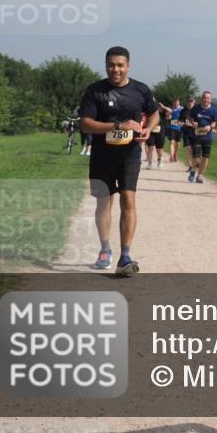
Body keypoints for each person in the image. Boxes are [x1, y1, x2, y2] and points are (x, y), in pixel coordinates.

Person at [79, 46, 159, 276]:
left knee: (128, 200)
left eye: (120, 65)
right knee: (104, 202)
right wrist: (117, 126)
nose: (116, 69)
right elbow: (85, 123)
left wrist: (149, 128)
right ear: (105, 65)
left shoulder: (140, 90)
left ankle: (125, 256)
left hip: (129, 154)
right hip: (102, 154)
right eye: (111, 65)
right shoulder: (95, 90)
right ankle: (105, 249)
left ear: (128, 66)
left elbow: (154, 113)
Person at [187, 90, 217, 184]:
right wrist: (193, 123)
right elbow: (189, 116)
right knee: (196, 157)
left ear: (210, 99)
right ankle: (193, 168)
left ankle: (199, 175)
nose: (206, 100)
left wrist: (211, 126)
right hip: (197, 136)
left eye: (208, 98)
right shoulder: (196, 108)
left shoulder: (214, 110)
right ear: (202, 98)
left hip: (208, 137)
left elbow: (215, 121)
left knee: (206, 157)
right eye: (204, 98)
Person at [144, 97, 167, 169]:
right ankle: (149, 163)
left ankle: (160, 161)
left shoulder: (160, 109)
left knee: (159, 149)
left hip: (160, 131)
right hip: (150, 130)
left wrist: (163, 107)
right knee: (150, 147)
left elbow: (170, 111)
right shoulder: (146, 109)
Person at [179, 95, 196, 177]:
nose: (190, 103)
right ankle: (190, 165)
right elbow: (180, 121)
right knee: (189, 149)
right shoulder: (183, 111)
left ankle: (194, 165)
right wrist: (181, 123)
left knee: (194, 149)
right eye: (189, 101)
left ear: (194, 101)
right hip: (186, 132)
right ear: (186, 102)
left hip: (196, 132)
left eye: (191, 101)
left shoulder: (197, 110)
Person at [165, 97, 183, 163]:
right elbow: (167, 118)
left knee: (178, 143)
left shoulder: (182, 109)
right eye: (174, 102)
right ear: (173, 103)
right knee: (172, 142)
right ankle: (171, 156)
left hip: (179, 128)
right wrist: (168, 115)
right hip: (172, 127)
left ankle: (175, 154)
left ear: (179, 102)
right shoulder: (170, 109)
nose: (176, 103)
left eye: (177, 102)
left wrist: (182, 122)